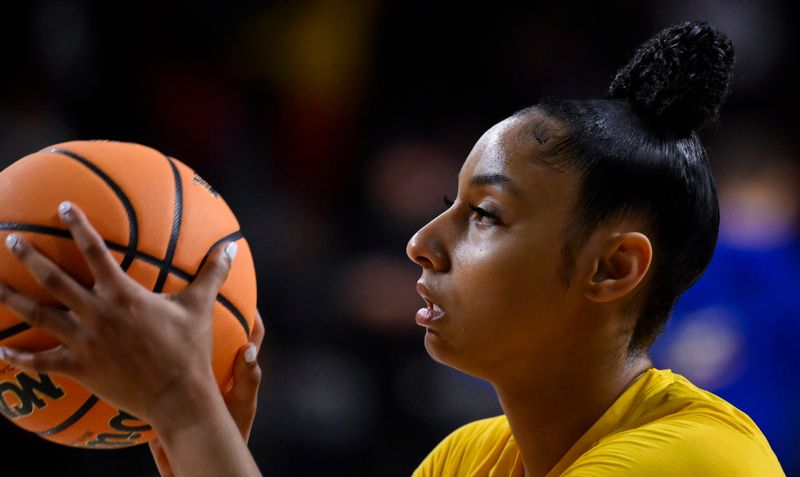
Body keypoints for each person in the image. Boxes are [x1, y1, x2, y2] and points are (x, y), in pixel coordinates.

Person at [0, 21, 786, 476]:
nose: (421, 242)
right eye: (446, 203)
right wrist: (195, 441)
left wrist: (186, 408)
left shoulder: (694, 458)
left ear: (612, 267)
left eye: (483, 214)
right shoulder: (471, 455)